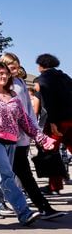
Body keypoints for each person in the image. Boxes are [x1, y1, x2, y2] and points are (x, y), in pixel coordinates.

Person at [0, 61, 55, 226]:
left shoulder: (13, 96)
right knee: (6, 175)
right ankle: (24, 212)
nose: (3, 76)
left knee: (0, 176)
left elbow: (26, 121)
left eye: (6, 73)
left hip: (11, 141)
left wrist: (43, 139)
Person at [0, 53, 65, 219]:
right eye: (12, 67)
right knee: (3, 174)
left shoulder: (20, 82)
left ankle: (43, 208)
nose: (16, 70)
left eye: (17, 66)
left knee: (24, 174)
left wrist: (35, 132)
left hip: (22, 137)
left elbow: (28, 110)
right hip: (5, 137)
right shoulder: (2, 85)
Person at [34, 53, 72, 195]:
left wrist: (52, 122)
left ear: (41, 65)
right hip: (71, 119)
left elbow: (49, 102)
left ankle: (54, 186)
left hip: (57, 121)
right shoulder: (66, 77)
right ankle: (58, 181)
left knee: (50, 151)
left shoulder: (42, 79)